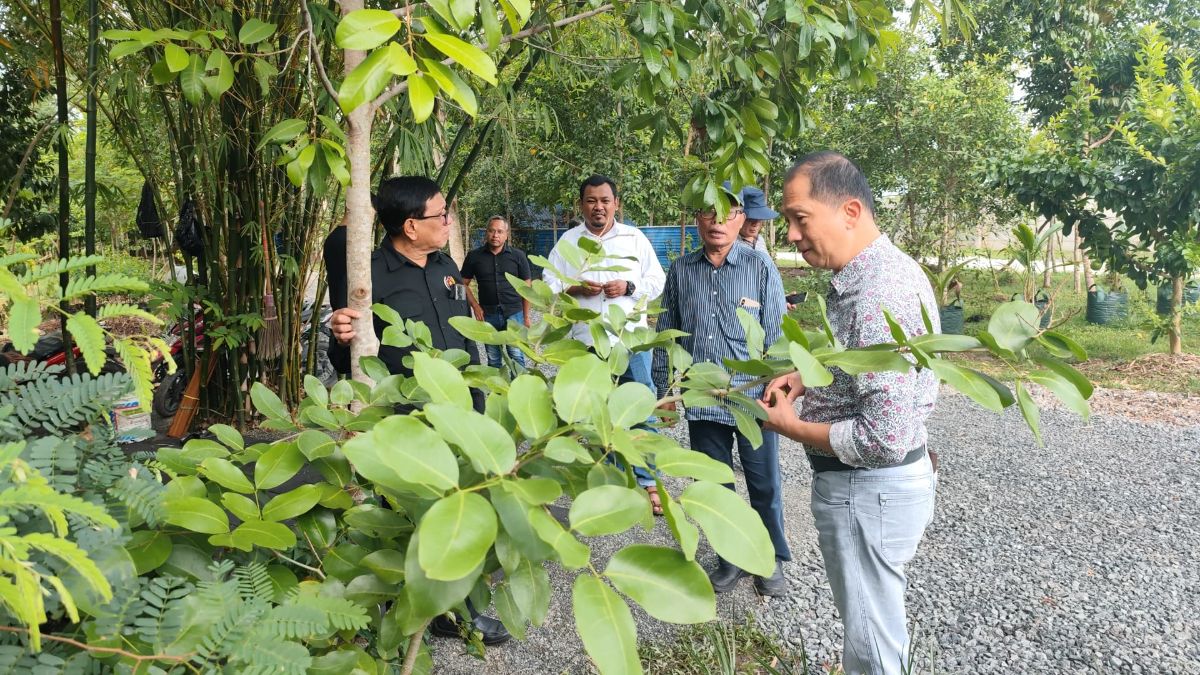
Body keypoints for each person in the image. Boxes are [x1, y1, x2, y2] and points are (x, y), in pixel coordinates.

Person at [757, 152, 939, 675]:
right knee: (876, 624)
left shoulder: (877, 293)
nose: (790, 234)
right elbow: (860, 367)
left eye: (800, 218)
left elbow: (882, 435)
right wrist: (802, 375)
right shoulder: (875, 275)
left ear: (850, 211)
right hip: (877, 489)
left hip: (868, 489)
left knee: (871, 644)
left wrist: (790, 427)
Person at [325, 176, 510, 646]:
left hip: (459, 409)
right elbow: (349, 356)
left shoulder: (445, 264)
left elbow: (464, 332)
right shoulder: (369, 276)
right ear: (410, 225)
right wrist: (340, 332)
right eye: (441, 214)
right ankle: (416, 607)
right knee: (408, 512)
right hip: (405, 419)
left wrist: (477, 395)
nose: (448, 221)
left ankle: (454, 609)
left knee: (460, 508)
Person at [651, 186, 791, 597]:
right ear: (697, 218)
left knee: (764, 484)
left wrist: (776, 393)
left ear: (739, 218)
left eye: (727, 213)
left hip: (751, 398)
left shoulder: (760, 267)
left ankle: (768, 560)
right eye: (708, 212)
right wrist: (667, 391)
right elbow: (667, 332)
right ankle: (729, 558)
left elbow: (778, 336)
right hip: (702, 399)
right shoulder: (680, 270)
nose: (717, 221)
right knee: (715, 486)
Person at [543, 174, 667, 512]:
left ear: (616, 204)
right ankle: (609, 485)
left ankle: (647, 480)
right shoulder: (569, 241)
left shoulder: (634, 238)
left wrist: (629, 287)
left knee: (640, 408)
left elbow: (658, 281)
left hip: (630, 342)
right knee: (595, 412)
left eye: (604, 200)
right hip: (587, 342)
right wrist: (574, 289)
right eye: (591, 200)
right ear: (581, 204)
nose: (598, 207)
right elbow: (548, 281)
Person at [461, 215, 532, 374]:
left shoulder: (518, 256)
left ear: (506, 234)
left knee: (516, 354)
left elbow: (527, 287)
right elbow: (462, 283)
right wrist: (475, 305)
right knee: (493, 357)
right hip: (488, 313)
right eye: (492, 231)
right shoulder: (474, 256)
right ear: (486, 232)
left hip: (514, 313)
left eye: (500, 231)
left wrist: (526, 316)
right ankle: (498, 394)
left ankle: (519, 392)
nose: (495, 235)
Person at [738, 185, 777, 255]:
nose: (755, 224)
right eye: (751, 219)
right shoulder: (730, 244)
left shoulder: (760, 240)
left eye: (759, 218)